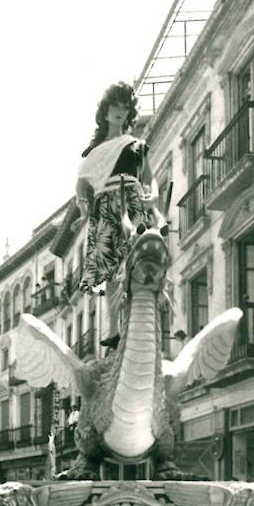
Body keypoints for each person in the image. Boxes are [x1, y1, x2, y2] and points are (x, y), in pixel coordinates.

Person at [75, 81, 161, 349]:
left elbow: (150, 177)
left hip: (133, 201)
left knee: (141, 258)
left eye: (125, 107)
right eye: (115, 106)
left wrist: (155, 195)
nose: (120, 111)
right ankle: (113, 327)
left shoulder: (136, 145)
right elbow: (81, 182)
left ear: (129, 112)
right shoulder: (95, 152)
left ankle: (139, 317)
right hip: (106, 203)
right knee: (111, 271)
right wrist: (82, 206)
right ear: (106, 111)